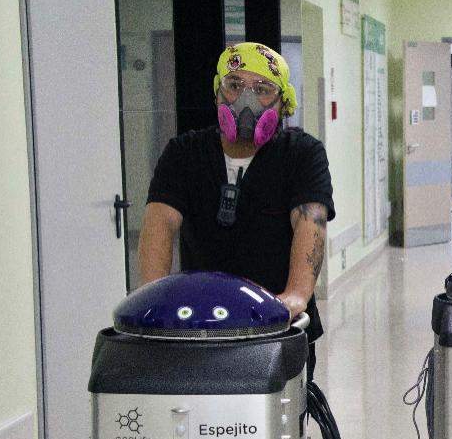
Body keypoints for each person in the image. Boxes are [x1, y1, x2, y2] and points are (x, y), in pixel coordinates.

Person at [139, 42, 334, 365]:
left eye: (262, 89)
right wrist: (153, 298)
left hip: (277, 326)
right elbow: (160, 221)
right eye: (234, 85)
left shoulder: (302, 154)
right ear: (217, 92)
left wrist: (295, 296)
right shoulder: (183, 154)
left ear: (283, 102)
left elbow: (310, 222)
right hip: (200, 325)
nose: (245, 99)